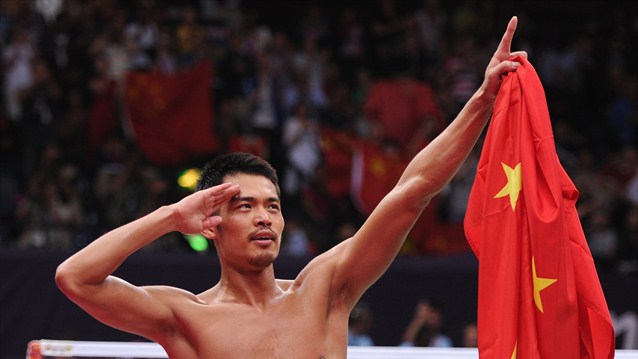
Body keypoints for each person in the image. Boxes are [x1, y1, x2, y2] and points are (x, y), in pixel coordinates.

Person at [55, 16, 526, 359]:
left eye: (272, 206)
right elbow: (75, 279)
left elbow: (412, 191)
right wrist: (171, 217)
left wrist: (481, 103)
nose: (264, 217)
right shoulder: (185, 317)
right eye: (244, 206)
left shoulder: (325, 292)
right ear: (212, 224)